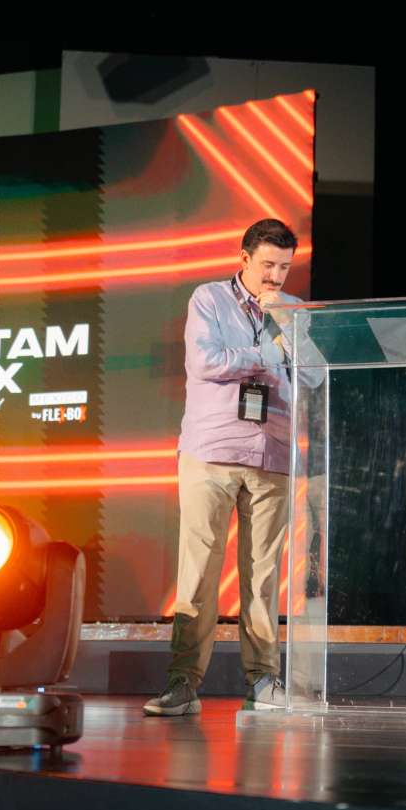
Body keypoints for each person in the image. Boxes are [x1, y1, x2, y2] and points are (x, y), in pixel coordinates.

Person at [144, 218, 300, 716]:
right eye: (268, 265)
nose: (275, 276)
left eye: (285, 267)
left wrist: (287, 329)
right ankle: (183, 683)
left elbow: (316, 381)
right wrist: (267, 352)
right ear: (245, 258)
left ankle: (264, 680)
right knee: (199, 570)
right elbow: (206, 362)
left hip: (273, 453)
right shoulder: (209, 299)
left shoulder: (294, 311)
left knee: (264, 577)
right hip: (211, 452)